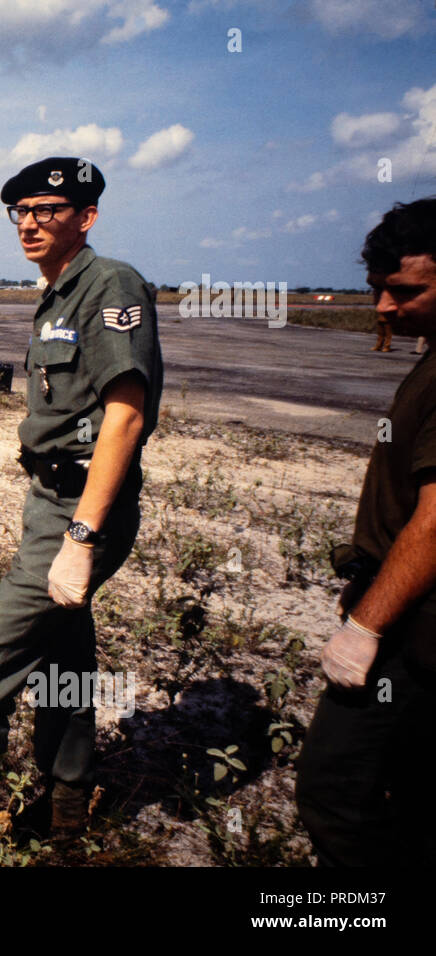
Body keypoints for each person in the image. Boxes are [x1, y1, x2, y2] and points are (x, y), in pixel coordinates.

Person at [0, 157, 163, 865]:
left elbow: (125, 416)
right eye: (19, 212)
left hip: (81, 509)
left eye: (46, 210)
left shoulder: (109, 285)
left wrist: (82, 537)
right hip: (50, 500)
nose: (28, 223)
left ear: (84, 217)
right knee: (64, 655)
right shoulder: (57, 295)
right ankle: (66, 811)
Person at [295, 197, 436, 866]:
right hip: (407, 617)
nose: (382, 307)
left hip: (413, 628)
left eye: (404, 290)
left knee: (335, 794)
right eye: (377, 289)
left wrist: (366, 627)